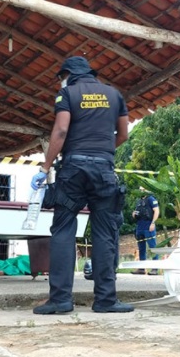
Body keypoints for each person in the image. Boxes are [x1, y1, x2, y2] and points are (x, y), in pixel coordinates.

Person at [30, 56, 133, 314]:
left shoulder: (67, 93)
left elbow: (61, 130)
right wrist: (102, 153)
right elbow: (123, 134)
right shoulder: (114, 95)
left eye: (60, 78)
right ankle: (106, 300)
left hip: (73, 170)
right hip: (104, 172)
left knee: (64, 230)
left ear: (67, 74)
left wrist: (45, 166)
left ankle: (60, 300)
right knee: (104, 233)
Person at [131, 187, 160, 275]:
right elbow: (136, 212)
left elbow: (156, 211)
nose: (141, 191)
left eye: (142, 189)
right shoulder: (139, 201)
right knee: (141, 249)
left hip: (148, 226)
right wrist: (134, 214)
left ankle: (155, 269)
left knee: (153, 247)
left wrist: (153, 223)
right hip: (140, 226)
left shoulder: (151, 199)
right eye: (140, 189)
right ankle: (141, 268)